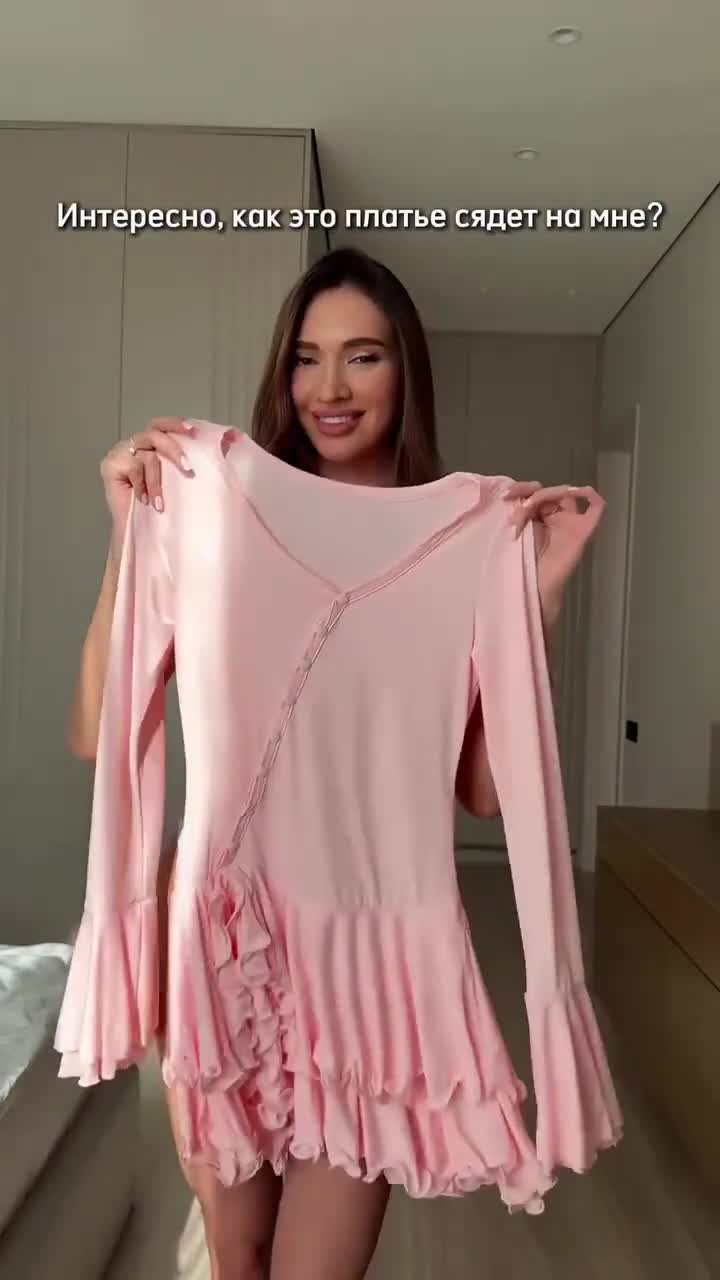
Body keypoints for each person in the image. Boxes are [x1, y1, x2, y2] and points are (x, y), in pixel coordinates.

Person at [66, 247, 607, 1280]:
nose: (330, 387)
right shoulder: (211, 509)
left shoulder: (463, 540)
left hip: (376, 953)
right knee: (238, 1254)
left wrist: (534, 596)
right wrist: (128, 539)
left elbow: (481, 792)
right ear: (283, 373)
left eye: (363, 356)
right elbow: (100, 732)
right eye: (307, 358)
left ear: (406, 372)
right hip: (227, 937)